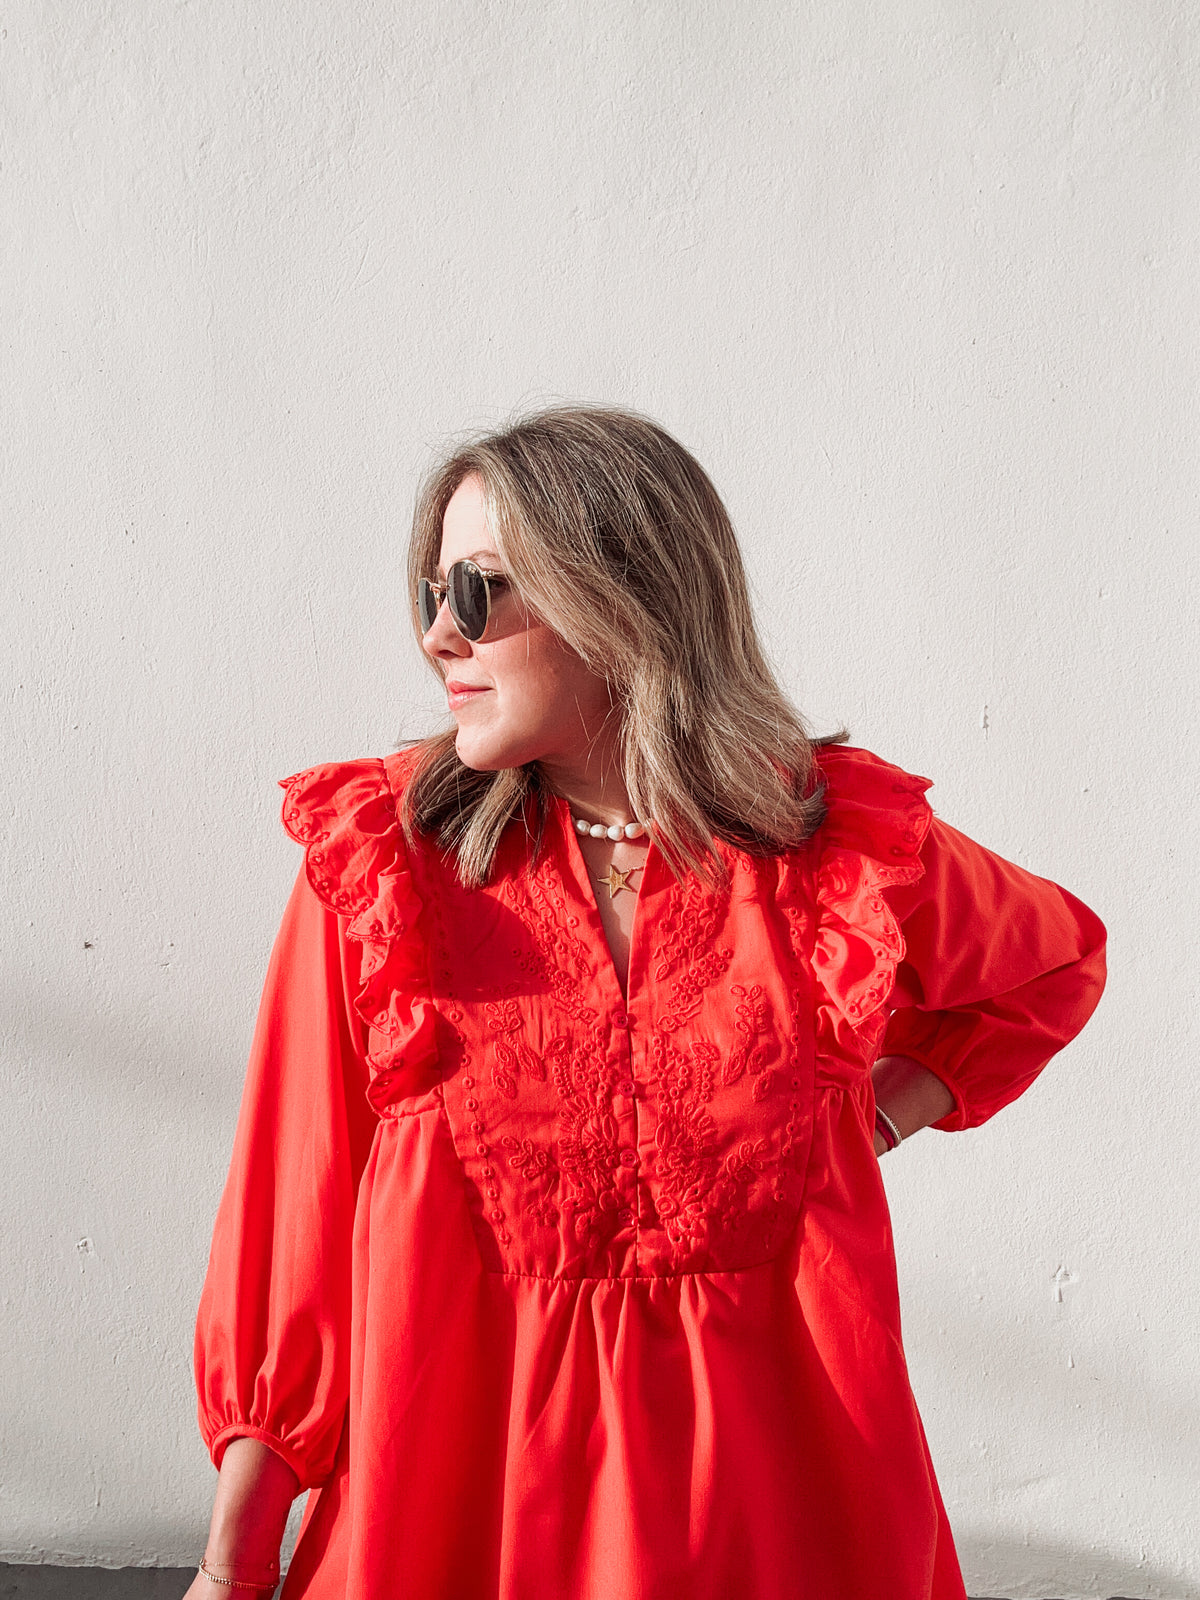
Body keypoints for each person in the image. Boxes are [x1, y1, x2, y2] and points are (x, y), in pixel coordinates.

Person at [187, 405, 1107, 1600]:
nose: (434, 637)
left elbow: (1052, 964)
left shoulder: (837, 852)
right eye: (427, 594)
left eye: (476, 591)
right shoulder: (384, 868)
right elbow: (289, 1240)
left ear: (620, 598)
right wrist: (230, 1566)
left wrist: (872, 1111)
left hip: (791, 1536)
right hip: (459, 1526)